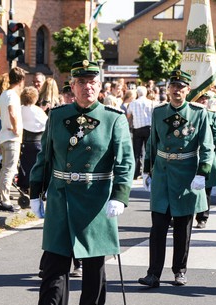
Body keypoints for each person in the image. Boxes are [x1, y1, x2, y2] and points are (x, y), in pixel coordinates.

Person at [30, 59, 134, 305]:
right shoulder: (57, 116)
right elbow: (45, 158)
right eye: (81, 82)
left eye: (92, 82)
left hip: (95, 199)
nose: (87, 87)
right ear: (72, 87)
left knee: (94, 267)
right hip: (61, 196)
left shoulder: (113, 119)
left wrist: (119, 195)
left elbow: (125, 162)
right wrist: (36, 191)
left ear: (100, 87)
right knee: (54, 264)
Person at [138, 69, 215, 288]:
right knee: (158, 228)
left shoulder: (198, 113)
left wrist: (203, 173)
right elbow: (152, 142)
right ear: (168, 89)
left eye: (181, 87)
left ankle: (180, 271)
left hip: (186, 174)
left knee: (183, 228)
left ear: (188, 90)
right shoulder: (159, 112)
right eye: (173, 86)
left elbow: (207, 146)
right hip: (163, 173)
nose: (177, 90)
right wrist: (146, 169)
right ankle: (153, 274)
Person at [0, 67, 25, 212]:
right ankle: (5, 200)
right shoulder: (13, 95)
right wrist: (15, 128)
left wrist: (6, 122)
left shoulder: (4, 94)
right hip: (12, 137)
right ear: (21, 80)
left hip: (4, 135)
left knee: (4, 169)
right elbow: (12, 111)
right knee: (10, 169)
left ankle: (0, 198)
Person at [194, 92, 216, 228]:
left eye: (206, 98)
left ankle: (202, 218)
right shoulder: (191, 113)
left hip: (206, 155)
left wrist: (210, 145)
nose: (204, 100)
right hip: (191, 155)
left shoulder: (211, 114)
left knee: (206, 189)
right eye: (201, 98)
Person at [17, 86, 47, 194]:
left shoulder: (19, 109)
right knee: (36, 166)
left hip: (24, 142)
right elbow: (46, 124)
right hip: (37, 142)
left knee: (24, 166)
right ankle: (35, 186)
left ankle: (25, 185)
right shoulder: (38, 111)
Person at [127, 86, 152, 179]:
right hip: (148, 128)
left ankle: (135, 173)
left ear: (137, 93)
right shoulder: (151, 103)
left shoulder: (133, 103)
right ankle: (148, 171)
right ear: (145, 93)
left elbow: (128, 115)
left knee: (136, 152)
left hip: (137, 129)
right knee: (148, 150)